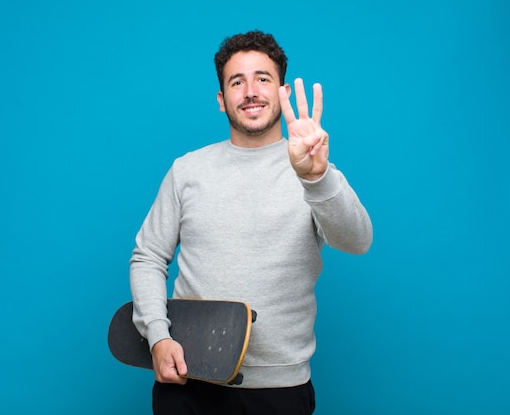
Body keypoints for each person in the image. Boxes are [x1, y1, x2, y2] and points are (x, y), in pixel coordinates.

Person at [129, 30, 373, 415]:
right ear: (222, 100)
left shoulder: (312, 168)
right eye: (236, 82)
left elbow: (358, 241)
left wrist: (317, 177)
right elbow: (148, 257)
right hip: (189, 380)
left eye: (263, 78)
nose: (251, 91)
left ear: (282, 92)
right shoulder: (186, 170)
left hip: (278, 389)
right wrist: (157, 337)